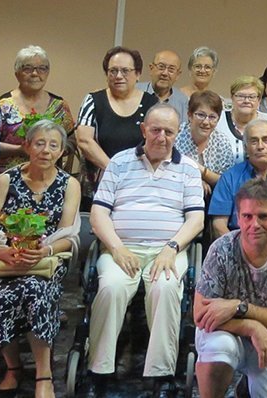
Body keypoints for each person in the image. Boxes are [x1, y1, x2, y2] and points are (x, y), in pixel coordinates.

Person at [85, 104, 205, 396]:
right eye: (155, 130)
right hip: (119, 249)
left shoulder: (188, 167)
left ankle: (162, 374)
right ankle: (99, 371)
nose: (161, 137)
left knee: (165, 288)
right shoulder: (119, 162)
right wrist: (116, 247)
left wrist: (172, 247)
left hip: (168, 251)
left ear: (178, 134)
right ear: (143, 130)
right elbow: (99, 213)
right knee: (111, 288)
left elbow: (196, 219)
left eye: (169, 131)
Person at [0, 120, 80, 398]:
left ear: (62, 151)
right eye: (39, 143)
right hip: (2, 261)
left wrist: (44, 251)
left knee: (36, 290)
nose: (46, 151)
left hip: (44, 262)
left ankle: (43, 374)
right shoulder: (6, 181)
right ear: (26, 147)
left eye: (53, 145)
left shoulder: (69, 184)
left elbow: (69, 235)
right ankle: (12, 367)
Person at [194, 178, 267, 397]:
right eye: (247, 216)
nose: (254, 224)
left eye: (263, 216)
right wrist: (252, 327)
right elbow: (201, 315)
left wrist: (239, 307)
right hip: (223, 334)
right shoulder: (221, 249)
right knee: (221, 349)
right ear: (237, 218)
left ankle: (246, 386)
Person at [75, 46, 158, 208]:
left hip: (138, 188)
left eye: (125, 71)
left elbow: (159, 142)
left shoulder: (152, 104)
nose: (119, 76)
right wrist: (114, 170)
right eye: (113, 71)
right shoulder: (93, 100)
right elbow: (84, 140)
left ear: (138, 74)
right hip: (96, 189)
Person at [208, 119, 267, 236]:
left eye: (266, 140)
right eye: (254, 141)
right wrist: (239, 250)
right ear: (246, 148)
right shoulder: (229, 179)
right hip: (237, 245)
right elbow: (218, 225)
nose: (260, 146)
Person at [0, 45, 74, 174]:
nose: (35, 73)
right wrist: (20, 149)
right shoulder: (1, 105)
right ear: (16, 73)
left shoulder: (59, 106)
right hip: (8, 178)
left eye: (42, 69)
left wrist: (52, 148)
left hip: (49, 179)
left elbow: (71, 141)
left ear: (48, 73)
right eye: (27, 68)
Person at [204, 76, 267, 177]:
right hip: (223, 185)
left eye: (251, 97)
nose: (246, 101)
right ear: (232, 97)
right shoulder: (217, 121)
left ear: (259, 99)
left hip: (265, 188)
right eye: (241, 96)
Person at [174, 90, 224, 189]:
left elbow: (225, 181)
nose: (206, 122)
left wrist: (202, 171)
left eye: (212, 117)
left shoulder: (221, 142)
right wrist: (196, 181)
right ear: (189, 115)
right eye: (201, 115)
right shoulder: (175, 135)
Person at [136, 50, 188, 118]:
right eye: (161, 67)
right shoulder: (135, 91)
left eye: (171, 69)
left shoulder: (182, 101)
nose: (165, 73)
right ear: (151, 68)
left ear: (178, 75)